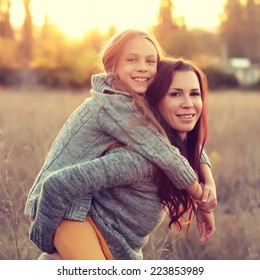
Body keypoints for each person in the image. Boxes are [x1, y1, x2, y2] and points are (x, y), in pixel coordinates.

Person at [24, 29, 216, 259]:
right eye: (132, 59)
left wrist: (208, 178)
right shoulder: (113, 106)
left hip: (79, 208)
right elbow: (165, 153)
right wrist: (200, 198)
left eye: (150, 61)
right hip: (61, 206)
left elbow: (177, 145)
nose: (142, 67)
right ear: (112, 65)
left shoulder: (138, 106)